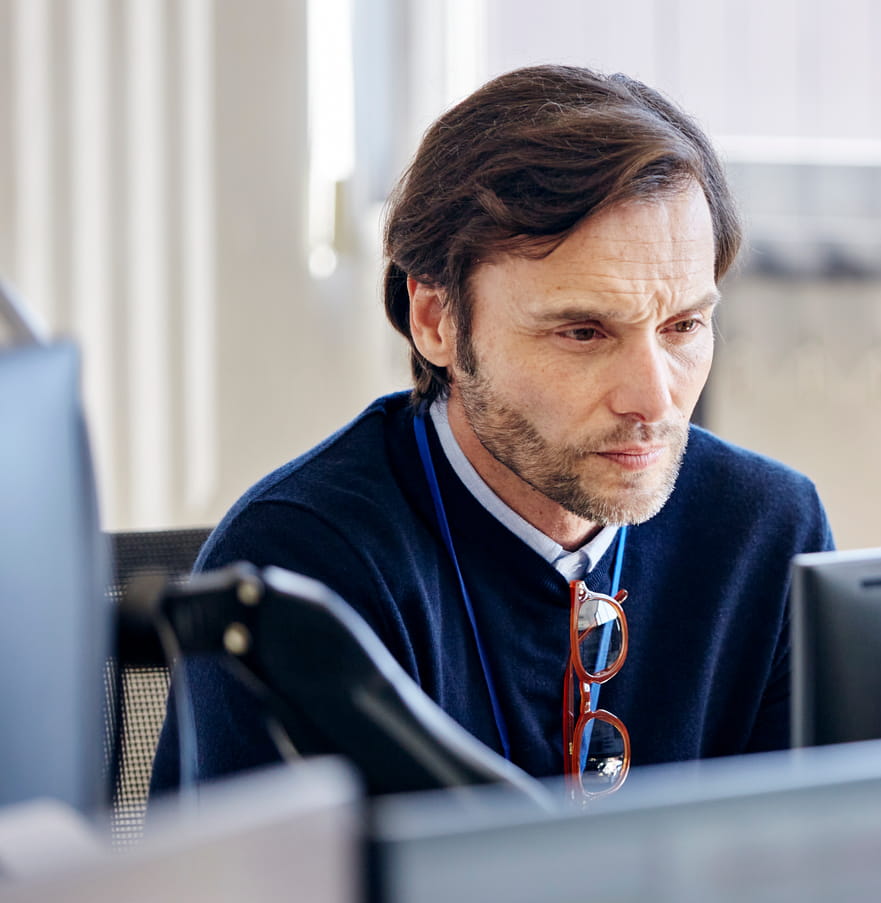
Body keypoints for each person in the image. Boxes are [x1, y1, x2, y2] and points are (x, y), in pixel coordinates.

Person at [152, 65, 833, 791]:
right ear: (437, 320)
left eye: (683, 325)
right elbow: (264, 901)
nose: (654, 398)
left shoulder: (769, 530)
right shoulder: (303, 563)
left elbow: (814, 874)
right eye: (582, 332)